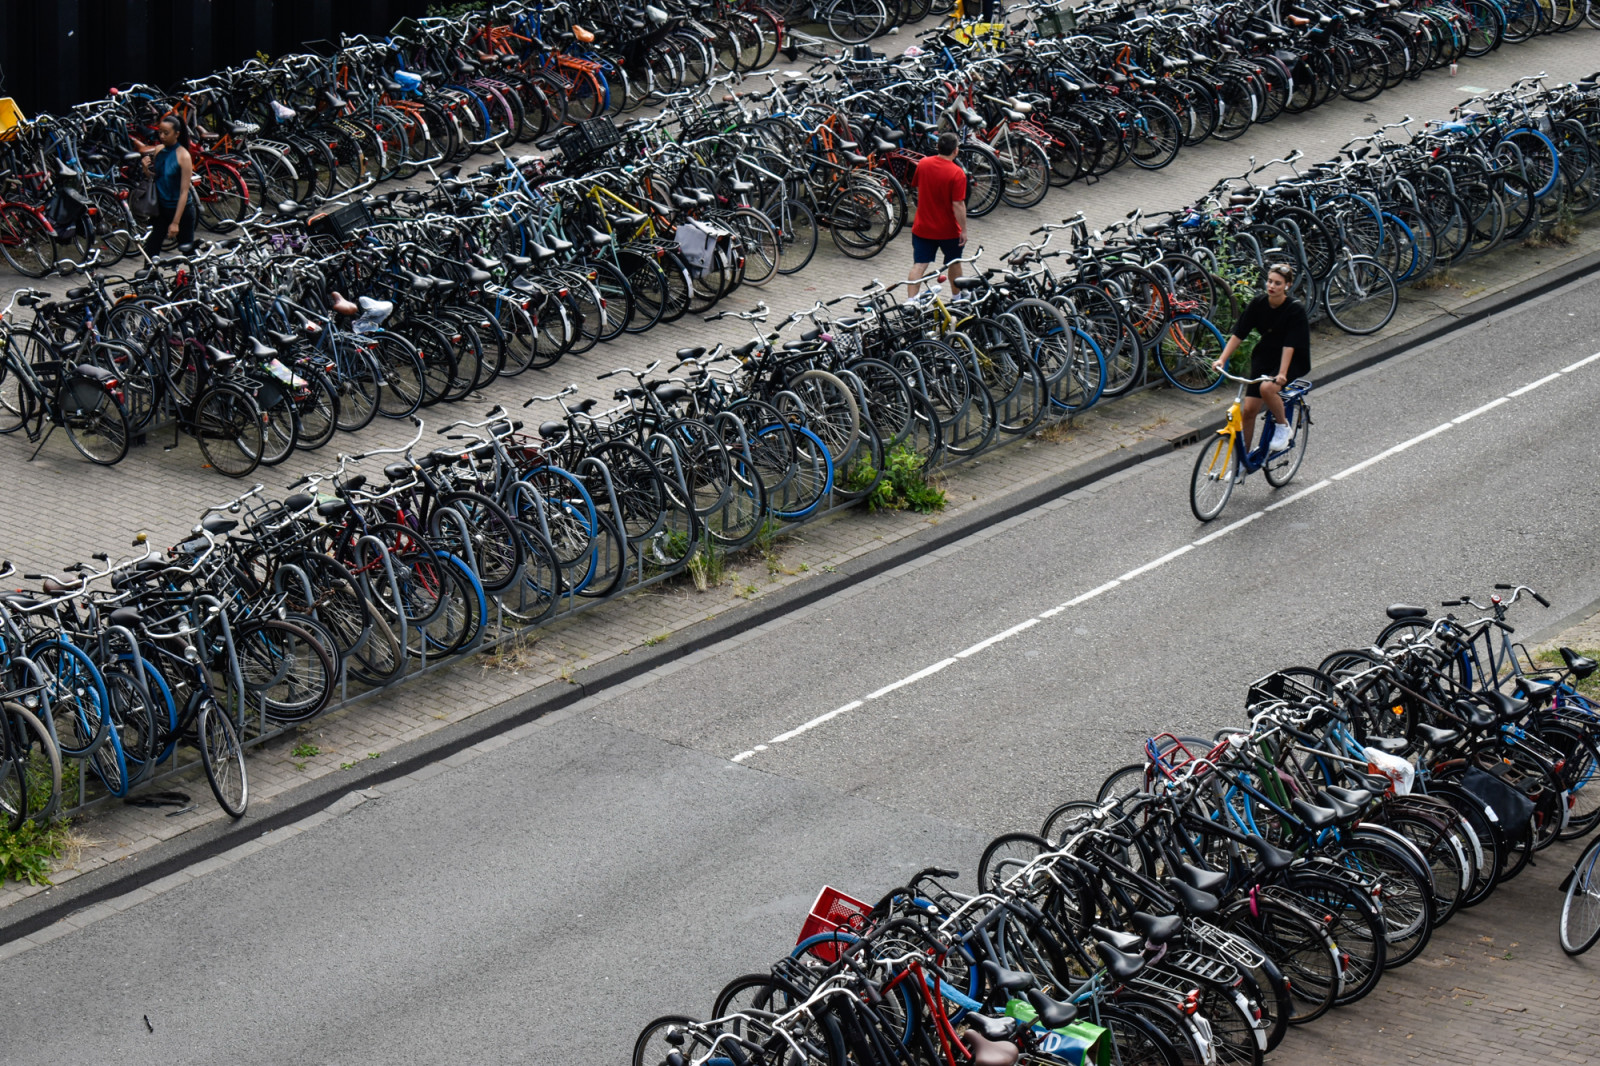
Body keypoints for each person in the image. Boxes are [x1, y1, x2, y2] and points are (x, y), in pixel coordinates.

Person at [1212, 262, 1310, 454]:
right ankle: (1244, 459)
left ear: (1287, 286)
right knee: (1248, 411)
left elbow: (1289, 344)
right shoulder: (1258, 303)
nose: (1272, 286)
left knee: (1267, 388)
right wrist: (1222, 359)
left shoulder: (1294, 309)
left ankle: (1283, 427)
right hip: (1265, 354)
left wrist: (1282, 374)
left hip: (1292, 358)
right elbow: (1239, 333)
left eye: (1278, 283)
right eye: (1270, 282)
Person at [907, 132, 967, 294]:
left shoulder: (923, 164)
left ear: (937, 147)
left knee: (919, 264)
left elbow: (918, 187)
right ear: (955, 151)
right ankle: (957, 298)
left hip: (922, 227)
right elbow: (958, 205)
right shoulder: (957, 173)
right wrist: (963, 229)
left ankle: (911, 301)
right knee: (954, 262)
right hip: (948, 230)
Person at [131, 115, 196, 258]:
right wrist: (145, 169)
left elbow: (184, 191)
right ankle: (149, 278)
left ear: (177, 134)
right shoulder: (159, 150)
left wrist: (175, 223)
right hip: (161, 210)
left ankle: (197, 277)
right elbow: (156, 179)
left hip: (181, 211)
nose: (162, 136)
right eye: (160, 132)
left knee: (188, 252)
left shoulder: (184, 156)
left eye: (166, 133)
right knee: (151, 250)